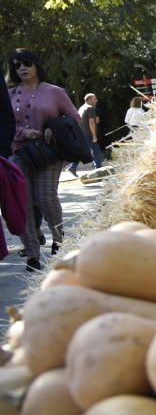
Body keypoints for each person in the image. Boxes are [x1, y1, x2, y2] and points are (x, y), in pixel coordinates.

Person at [7, 49, 80, 271]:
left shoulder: (54, 92)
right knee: (23, 203)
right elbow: (4, 123)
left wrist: (52, 127)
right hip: (18, 153)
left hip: (49, 153)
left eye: (27, 63)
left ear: (37, 65)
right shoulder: (8, 94)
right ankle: (32, 253)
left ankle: (59, 239)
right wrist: (22, 133)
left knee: (45, 198)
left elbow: (75, 118)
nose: (23, 68)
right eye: (17, 65)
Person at [68, 93, 102, 175]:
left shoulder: (82, 108)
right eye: (94, 99)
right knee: (95, 149)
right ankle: (98, 168)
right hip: (88, 133)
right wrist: (94, 135)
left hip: (81, 133)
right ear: (89, 100)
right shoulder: (90, 108)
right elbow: (91, 122)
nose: (96, 100)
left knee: (85, 150)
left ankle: (73, 167)